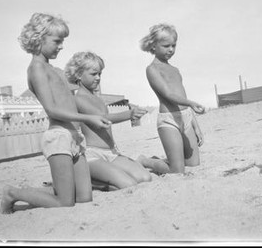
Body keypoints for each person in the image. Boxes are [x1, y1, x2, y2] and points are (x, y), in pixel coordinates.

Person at [0, 13, 111, 214]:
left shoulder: (56, 70)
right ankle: (12, 193)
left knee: (85, 198)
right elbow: (52, 109)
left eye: (63, 41)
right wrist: (88, 118)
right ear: (38, 39)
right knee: (65, 203)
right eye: (57, 41)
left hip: (75, 138)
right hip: (58, 137)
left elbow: (76, 90)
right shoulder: (36, 69)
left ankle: (54, 188)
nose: (61, 46)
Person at [65, 51, 153, 190]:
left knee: (145, 178)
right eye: (93, 74)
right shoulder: (78, 99)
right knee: (128, 184)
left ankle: (102, 177)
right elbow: (102, 118)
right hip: (92, 154)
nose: (98, 78)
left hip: (111, 152)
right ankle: (93, 182)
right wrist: (129, 114)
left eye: (100, 74)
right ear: (78, 75)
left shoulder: (98, 99)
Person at [137, 23, 205, 174]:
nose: (171, 50)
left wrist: (196, 126)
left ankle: (167, 159)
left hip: (185, 117)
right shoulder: (152, 69)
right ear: (153, 46)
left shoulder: (175, 70)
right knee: (177, 170)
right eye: (166, 46)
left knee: (193, 165)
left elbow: (183, 97)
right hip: (169, 120)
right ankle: (146, 161)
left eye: (174, 46)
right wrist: (191, 103)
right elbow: (169, 95)